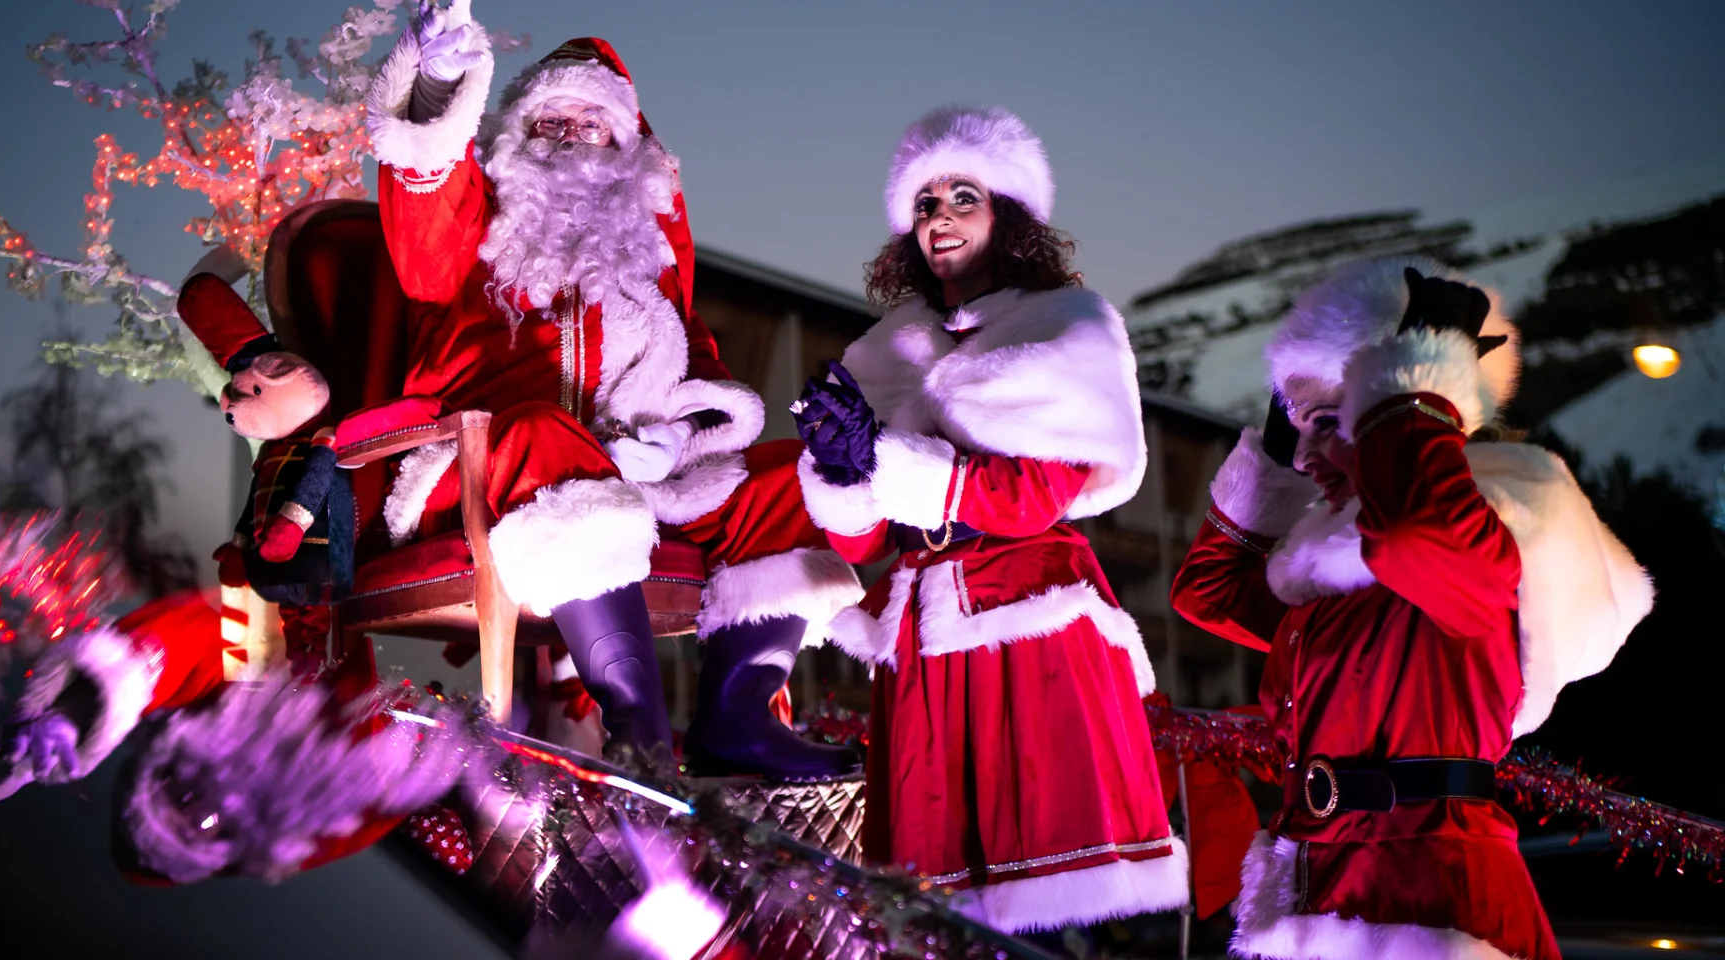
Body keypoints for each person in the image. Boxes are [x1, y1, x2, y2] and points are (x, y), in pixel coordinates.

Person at [353, 0, 861, 777]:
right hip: (483, 473)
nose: (570, 138)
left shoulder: (646, 262)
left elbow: (700, 367)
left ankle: (737, 722)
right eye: (550, 123)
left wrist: (678, 436)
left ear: (626, 146)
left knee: (790, 481)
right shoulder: (474, 231)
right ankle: (640, 737)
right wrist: (437, 87)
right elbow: (423, 212)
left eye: (591, 124)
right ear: (515, 137)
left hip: (636, 481)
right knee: (546, 435)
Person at [1170, 258, 1653, 960]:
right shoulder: (1340, 582)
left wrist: (1420, 382)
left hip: (1430, 899)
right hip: (1322, 882)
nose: (1305, 457)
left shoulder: (1485, 539)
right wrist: (1274, 461)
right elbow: (1207, 591)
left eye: (1330, 421)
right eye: (1297, 428)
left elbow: (1414, 530)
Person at [791, 106, 1187, 934]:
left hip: (1027, 628)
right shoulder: (887, 350)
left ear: (1007, 211)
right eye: (925, 204)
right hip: (921, 642)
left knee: (1049, 895)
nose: (939, 217)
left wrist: (889, 459)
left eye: (962, 196)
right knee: (934, 914)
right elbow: (861, 540)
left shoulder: (1068, 326)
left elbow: (1035, 494)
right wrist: (841, 467)